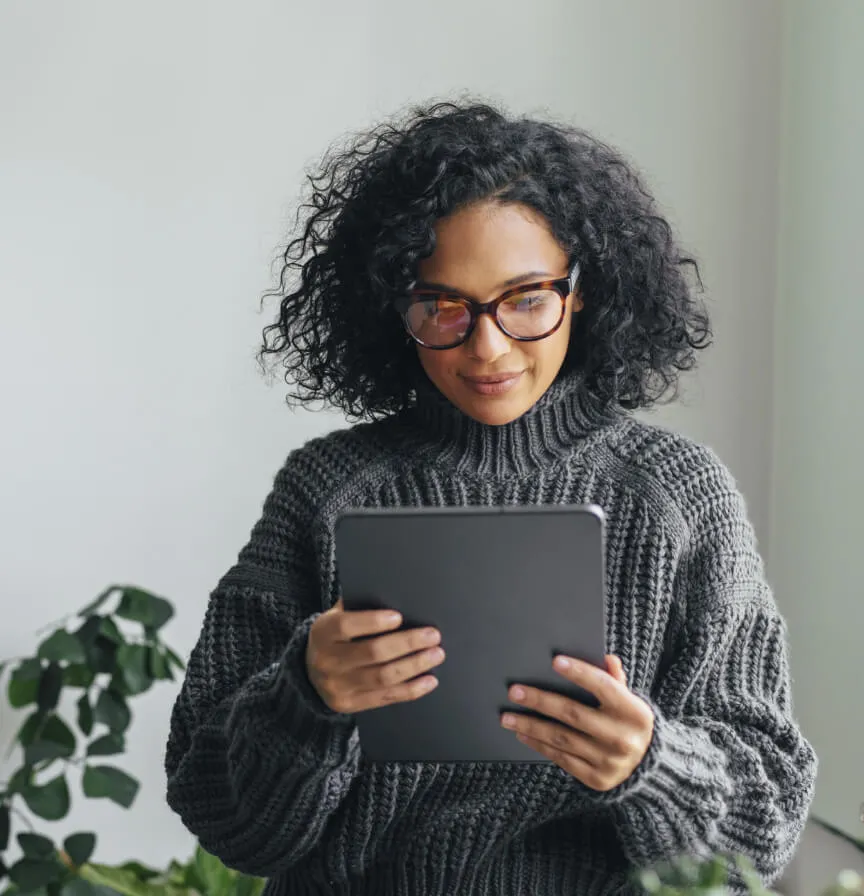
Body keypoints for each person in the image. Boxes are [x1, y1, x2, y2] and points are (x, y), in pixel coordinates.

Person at [164, 100, 817, 895]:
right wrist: (306, 697)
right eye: (443, 305)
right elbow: (218, 809)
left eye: (527, 299)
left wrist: (650, 765)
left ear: (582, 289)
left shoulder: (677, 495)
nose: (488, 346)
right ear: (391, 305)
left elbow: (767, 822)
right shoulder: (327, 489)